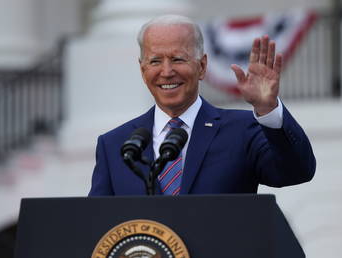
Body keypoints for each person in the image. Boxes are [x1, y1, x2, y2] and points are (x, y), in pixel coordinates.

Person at [88, 15, 315, 196]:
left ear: (202, 66)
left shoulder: (243, 131)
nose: (166, 72)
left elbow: (296, 172)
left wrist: (268, 109)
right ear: (142, 69)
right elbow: (97, 228)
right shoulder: (116, 146)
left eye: (178, 59)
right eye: (155, 61)